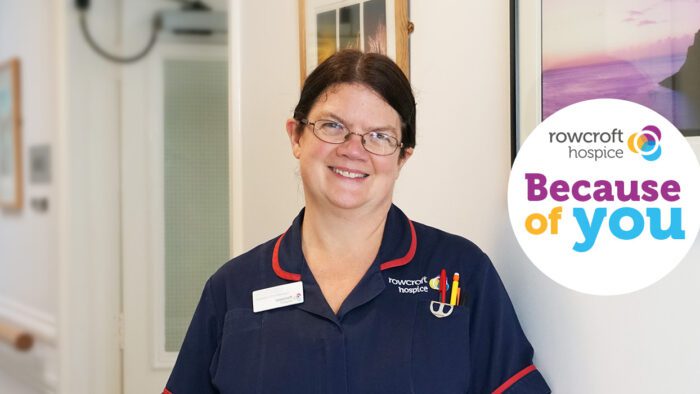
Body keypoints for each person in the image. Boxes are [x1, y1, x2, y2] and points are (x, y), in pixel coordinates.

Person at [164, 50, 551, 394]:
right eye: (333, 126)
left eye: (379, 136)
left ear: (403, 157)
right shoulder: (232, 289)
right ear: (296, 136)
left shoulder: (461, 273)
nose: (353, 150)